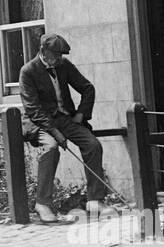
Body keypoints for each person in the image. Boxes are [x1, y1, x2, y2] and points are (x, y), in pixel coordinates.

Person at [18, 33, 113, 223]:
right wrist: (55, 132)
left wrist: (81, 114)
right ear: (43, 51)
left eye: (61, 55)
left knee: (92, 145)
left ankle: (95, 200)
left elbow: (88, 88)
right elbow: (33, 109)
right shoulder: (28, 71)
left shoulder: (63, 66)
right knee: (51, 148)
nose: (59, 59)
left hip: (65, 119)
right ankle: (42, 203)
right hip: (40, 122)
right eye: (55, 55)